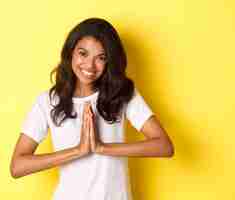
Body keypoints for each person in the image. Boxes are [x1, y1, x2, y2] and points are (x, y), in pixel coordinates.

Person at [9, 17, 174, 200]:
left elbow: (164, 146)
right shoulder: (47, 102)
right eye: (83, 53)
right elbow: (17, 166)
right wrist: (78, 150)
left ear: (109, 61)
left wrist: (102, 148)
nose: (90, 65)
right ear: (71, 52)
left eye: (101, 58)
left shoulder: (122, 93)